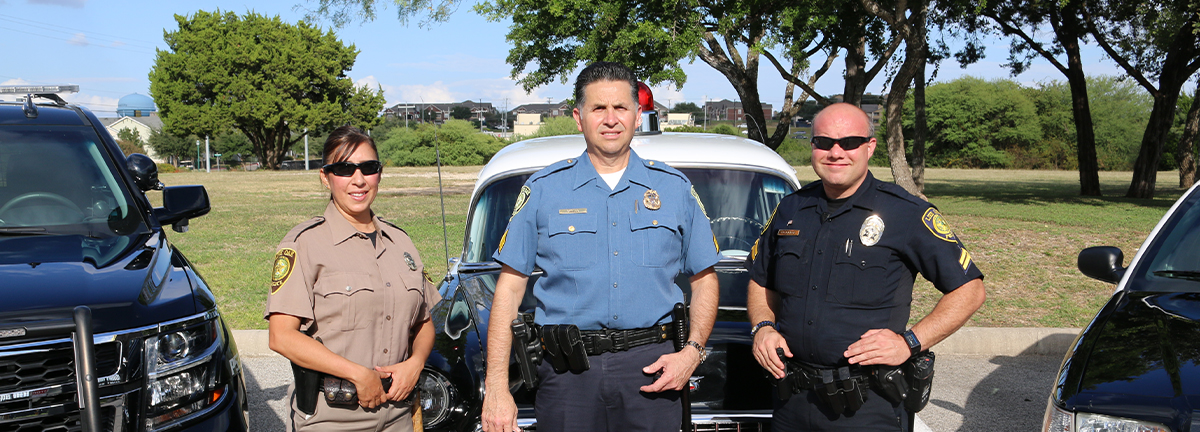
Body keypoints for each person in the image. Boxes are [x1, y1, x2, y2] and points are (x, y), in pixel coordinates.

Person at [480, 62, 722, 432]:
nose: (611, 119)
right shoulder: (544, 189)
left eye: (621, 108)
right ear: (579, 118)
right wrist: (496, 387)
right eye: (598, 108)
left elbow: (705, 280)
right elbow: (509, 289)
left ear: (638, 115)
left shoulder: (674, 189)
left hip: (652, 369)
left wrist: (692, 353)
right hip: (567, 375)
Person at [745, 103, 986, 431]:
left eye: (849, 142)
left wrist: (910, 342)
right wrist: (762, 327)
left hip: (867, 405)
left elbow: (969, 290)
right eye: (824, 142)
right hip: (793, 400)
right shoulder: (791, 208)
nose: (835, 152)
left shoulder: (906, 213)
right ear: (813, 147)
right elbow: (761, 279)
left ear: (870, 147)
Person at [266, 125, 439, 432]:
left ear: (379, 174)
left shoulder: (401, 243)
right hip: (332, 417)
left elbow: (423, 322)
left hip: (398, 415)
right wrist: (357, 374)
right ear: (325, 176)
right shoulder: (305, 244)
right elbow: (282, 336)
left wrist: (416, 363)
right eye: (345, 169)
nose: (358, 180)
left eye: (368, 168)